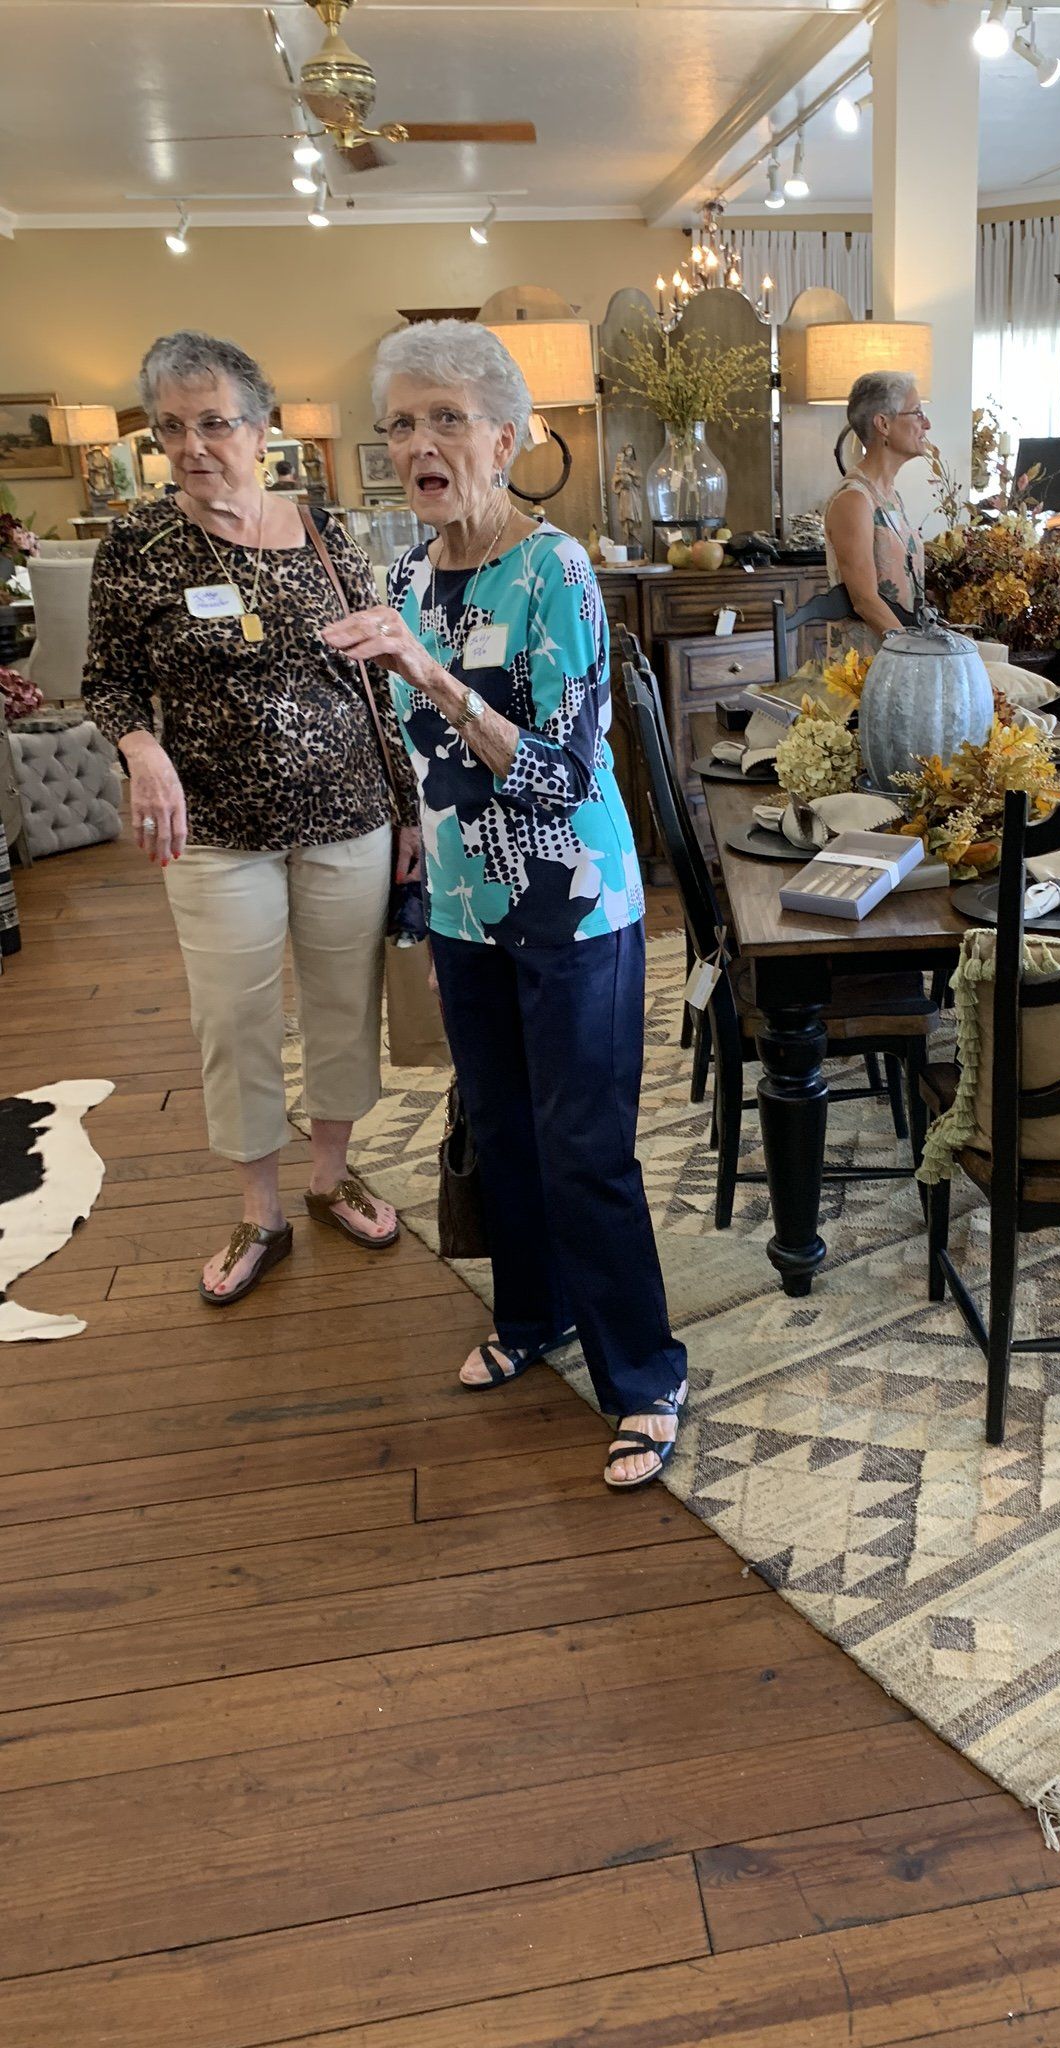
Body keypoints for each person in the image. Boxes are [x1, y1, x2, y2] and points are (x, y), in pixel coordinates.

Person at [319, 319, 688, 1494]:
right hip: (470, 909)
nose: (418, 444)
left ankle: (646, 1373)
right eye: (400, 424)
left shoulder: (557, 571)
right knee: (502, 1125)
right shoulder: (404, 575)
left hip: (574, 905)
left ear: (507, 436)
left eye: (445, 419)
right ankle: (535, 1314)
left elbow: (568, 774)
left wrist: (427, 672)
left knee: (587, 1148)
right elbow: (421, 757)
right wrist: (418, 880)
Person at [83, 330, 419, 1303]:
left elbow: (379, 677)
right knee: (234, 1017)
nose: (194, 444)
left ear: (260, 427)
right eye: (172, 427)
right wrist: (142, 751)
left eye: (215, 422)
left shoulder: (324, 534)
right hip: (215, 832)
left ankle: (329, 1176)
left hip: (348, 811)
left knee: (341, 1004)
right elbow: (105, 682)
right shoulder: (138, 546)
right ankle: (258, 1208)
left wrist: (402, 813)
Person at [823, 370, 928, 658]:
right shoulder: (854, 500)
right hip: (869, 667)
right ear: (883, 423)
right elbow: (865, 600)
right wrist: (914, 655)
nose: (926, 424)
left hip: (900, 655)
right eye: (917, 413)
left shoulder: (891, 497)